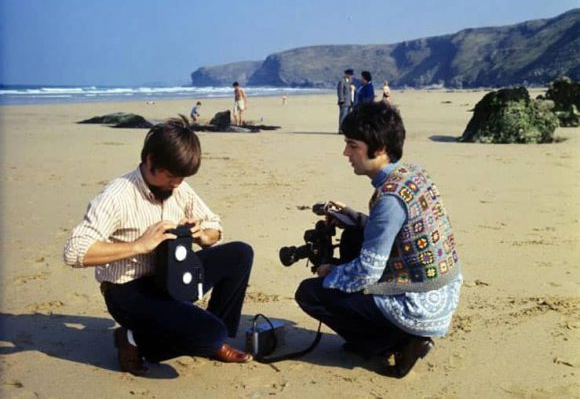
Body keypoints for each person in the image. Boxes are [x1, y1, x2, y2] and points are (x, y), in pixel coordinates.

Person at [63, 116, 254, 376]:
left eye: (183, 177)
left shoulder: (179, 186)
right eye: (172, 176)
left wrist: (202, 235)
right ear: (150, 161)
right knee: (210, 334)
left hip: (171, 277)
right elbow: (75, 251)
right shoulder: (118, 195)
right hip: (128, 290)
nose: (176, 184)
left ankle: (212, 337)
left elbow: (215, 227)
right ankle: (132, 340)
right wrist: (139, 245)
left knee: (240, 253)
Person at [294, 102, 462, 378]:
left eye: (352, 145)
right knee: (353, 237)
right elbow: (396, 229)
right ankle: (392, 335)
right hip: (444, 286)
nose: (346, 153)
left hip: (421, 303)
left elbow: (367, 271)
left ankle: (392, 342)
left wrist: (330, 272)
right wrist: (352, 217)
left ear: (380, 148)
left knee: (311, 293)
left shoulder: (390, 199)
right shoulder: (412, 174)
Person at [336, 68, 354, 133]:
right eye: (350, 74)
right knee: (343, 116)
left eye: (351, 75)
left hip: (350, 101)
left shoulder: (350, 81)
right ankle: (340, 129)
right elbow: (340, 91)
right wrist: (341, 99)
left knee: (347, 116)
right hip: (344, 101)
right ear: (346, 74)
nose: (351, 76)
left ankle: (346, 129)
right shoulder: (342, 81)